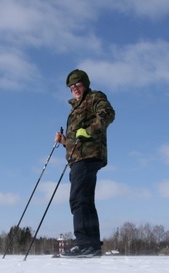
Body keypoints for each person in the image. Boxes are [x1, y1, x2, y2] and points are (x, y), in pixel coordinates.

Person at [54, 69, 115, 257]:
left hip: (88, 157)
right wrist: (65, 141)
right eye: (71, 87)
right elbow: (77, 139)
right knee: (85, 200)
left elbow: (108, 113)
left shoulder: (94, 97)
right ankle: (91, 245)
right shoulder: (75, 108)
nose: (75, 89)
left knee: (78, 199)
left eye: (77, 85)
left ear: (85, 84)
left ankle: (85, 244)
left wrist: (89, 130)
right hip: (78, 158)